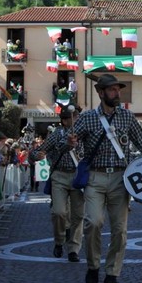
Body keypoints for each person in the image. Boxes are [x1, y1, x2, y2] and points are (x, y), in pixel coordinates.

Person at [69, 74, 142, 283]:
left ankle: (112, 271)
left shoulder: (126, 117)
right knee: (93, 222)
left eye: (118, 89)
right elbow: (71, 139)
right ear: (101, 93)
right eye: (112, 90)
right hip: (95, 177)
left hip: (121, 178)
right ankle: (93, 265)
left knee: (119, 229)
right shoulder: (87, 117)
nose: (117, 93)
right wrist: (70, 141)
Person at [33, 104, 84, 261]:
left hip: (78, 176)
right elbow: (38, 151)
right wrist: (37, 155)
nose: (77, 119)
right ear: (65, 120)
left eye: (77, 116)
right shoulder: (56, 134)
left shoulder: (84, 133)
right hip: (59, 176)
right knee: (58, 212)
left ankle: (74, 249)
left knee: (78, 215)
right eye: (74, 117)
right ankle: (59, 240)